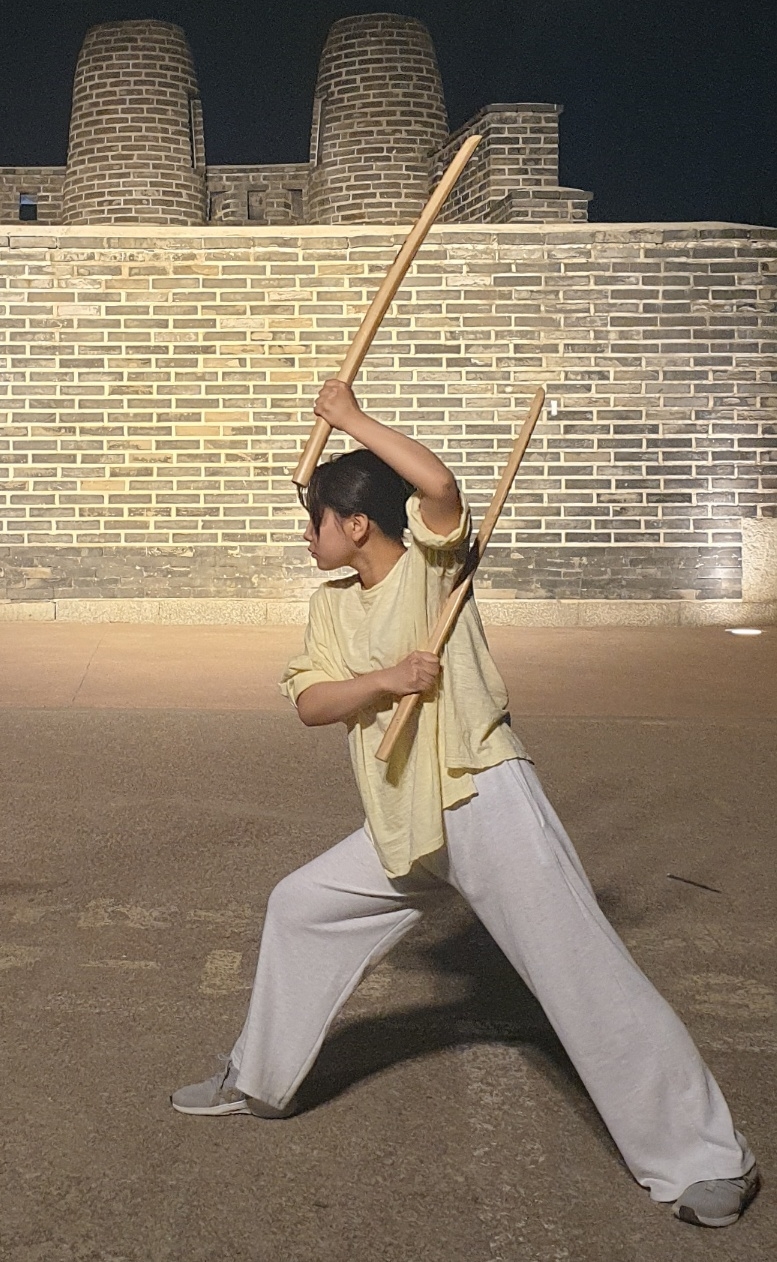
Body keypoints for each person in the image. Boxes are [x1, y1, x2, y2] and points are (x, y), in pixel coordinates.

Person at [170, 379, 759, 1228]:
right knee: (300, 904)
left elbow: (438, 491)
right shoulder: (328, 606)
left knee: (582, 975)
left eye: (316, 522)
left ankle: (706, 1161)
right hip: (400, 814)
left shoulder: (430, 569)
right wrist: (384, 680)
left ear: (358, 524)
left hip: (481, 794)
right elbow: (310, 704)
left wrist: (352, 421)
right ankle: (256, 1080)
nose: (307, 537)